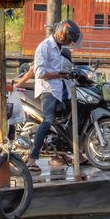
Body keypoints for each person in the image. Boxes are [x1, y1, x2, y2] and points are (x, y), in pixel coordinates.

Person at [25, 20, 81, 172]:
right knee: (48, 121)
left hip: (61, 89)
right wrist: (60, 75)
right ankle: (32, 159)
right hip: (48, 90)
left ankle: (64, 154)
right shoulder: (45, 46)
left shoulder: (59, 48)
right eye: (70, 40)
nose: (70, 43)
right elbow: (40, 73)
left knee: (69, 119)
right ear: (62, 35)